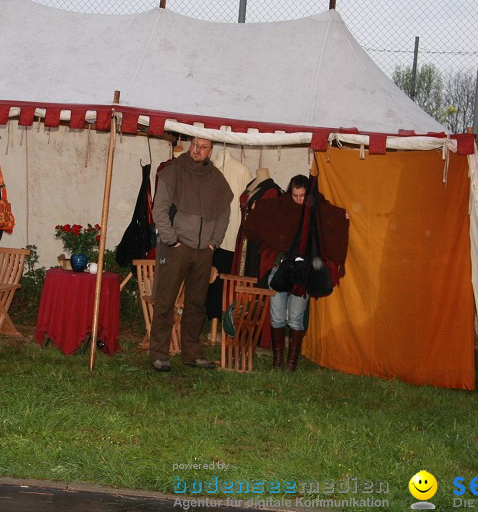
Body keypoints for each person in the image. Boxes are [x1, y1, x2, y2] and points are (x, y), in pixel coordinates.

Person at [244, 174, 349, 371]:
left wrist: (342, 217)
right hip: (280, 268)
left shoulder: (315, 209)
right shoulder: (281, 206)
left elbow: (331, 215)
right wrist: (256, 209)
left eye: (303, 196)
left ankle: (291, 364)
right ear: (289, 193)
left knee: (295, 318)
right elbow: (265, 213)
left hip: (303, 272)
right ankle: (277, 362)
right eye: (295, 196)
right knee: (276, 316)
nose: (299, 200)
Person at [149, 136, 234, 372]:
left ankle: (192, 353)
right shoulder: (174, 170)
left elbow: (224, 214)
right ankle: (159, 354)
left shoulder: (216, 179)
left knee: (197, 304)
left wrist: (213, 243)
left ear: (210, 150)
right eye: (195, 145)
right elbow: (160, 208)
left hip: (203, 250)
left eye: (204, 147)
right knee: (166, 301)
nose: (197, 150)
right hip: (177, 247)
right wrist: (171, 239)